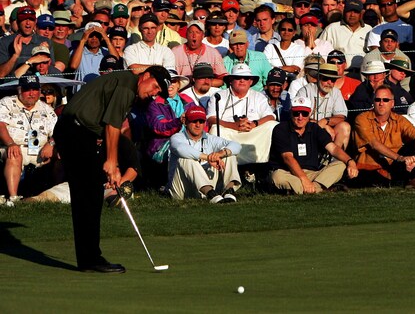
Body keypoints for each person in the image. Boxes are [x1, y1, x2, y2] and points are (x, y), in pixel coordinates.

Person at [53, 66, 170, 272]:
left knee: (90, 195)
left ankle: (89, 257)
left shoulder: (128, 85)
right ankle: (90, 259)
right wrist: (112, 163)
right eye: (155, 86)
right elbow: (112, 125)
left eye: (158, 92)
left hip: (79, 133)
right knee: (88, 195)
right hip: (75, 131)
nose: (154, 93)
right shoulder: (127, 85)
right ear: (146, 76)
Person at [269, 94, 357, 194]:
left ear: (310, 114)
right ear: (290, 113)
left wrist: (350, 161)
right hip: (288, 172)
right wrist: (304, 179)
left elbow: (333, 149)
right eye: (296, 113)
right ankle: (321, 188)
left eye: (304, 113)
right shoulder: (281, 129)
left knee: (341, 164)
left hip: (312, 173)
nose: (300, 117)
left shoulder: (314, 128)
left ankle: (305, 189)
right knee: (277, 177)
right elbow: (287, 158)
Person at [353, 86, 415, 189]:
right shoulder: (362, 119)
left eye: (385, 100)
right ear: (373, 102)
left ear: (392, 103)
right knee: (371, 179)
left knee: (414, 144)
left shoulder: (399, 120)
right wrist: (399, 158)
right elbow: (374, 144)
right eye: (377, 99)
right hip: (371, 167)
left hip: (394, 165)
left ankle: (414, 178)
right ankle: (409, 179)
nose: (381, 103)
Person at [0, 76, 58, 205]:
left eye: (35, 89)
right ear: (19, 90)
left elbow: (59, 131)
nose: (31, 93)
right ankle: (13, 198)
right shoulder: (7, 103)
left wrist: (51, 144)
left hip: (41, 149)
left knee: (61, 156)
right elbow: (0, 125)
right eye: (27, 90)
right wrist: (10, 143)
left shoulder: (47, 109)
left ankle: (59, 196)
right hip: (15, 146)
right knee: (14, 154)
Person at [167, 104, 242, 202]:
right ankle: (211, 194)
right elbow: (181, 149)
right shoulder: (177, 137)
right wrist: (209, 157)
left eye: (201, 121)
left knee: (229, 154)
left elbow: (237, 145)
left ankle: (229, 191)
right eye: (194, 121)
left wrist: (220, 154)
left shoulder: (210, 138)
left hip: (209, 183)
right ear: (185, 122)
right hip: (183, 190)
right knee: (185, 158)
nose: (198, 125)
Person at [206, 63, 277, 164]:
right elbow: (211, 118)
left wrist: (254, 124)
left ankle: (261, 164)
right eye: (238, 77)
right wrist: (233, 125)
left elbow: (270, 116)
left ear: (251, 81)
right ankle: (223, 162)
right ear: (231, 80)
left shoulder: (258, 96)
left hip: (252, 131)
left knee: (272, 125)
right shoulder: (219, 95)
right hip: (230, 132)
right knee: (215, 129)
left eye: (246, 78)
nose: (242, 80)